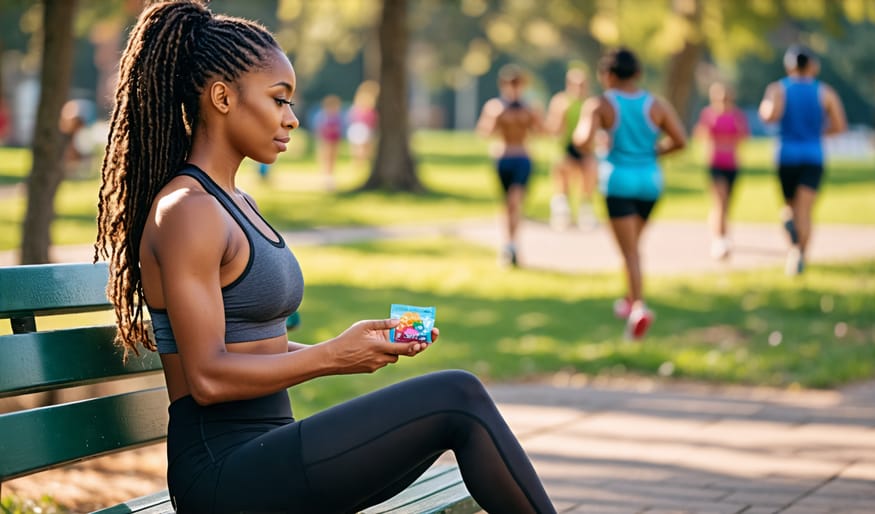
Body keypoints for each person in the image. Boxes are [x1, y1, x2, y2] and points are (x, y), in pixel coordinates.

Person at [93, 2, 556, 513]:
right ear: (222, 97)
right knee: (459, 399)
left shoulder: (234, 202)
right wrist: (332, 357)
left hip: (269, 450)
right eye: (279, 100)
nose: (291, 118)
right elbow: (207, 378)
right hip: (223, 474)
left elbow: (250, 347)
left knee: (458, 406)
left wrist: (349, 345)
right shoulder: (188, 211)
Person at [573, 47, 686, 340]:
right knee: (634, 247)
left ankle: (638, 309)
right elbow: (680, 140)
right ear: (638, 73)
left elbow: (582, 140)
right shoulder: (656, 105)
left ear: (607, 75)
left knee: (630, 252)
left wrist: (600, 142)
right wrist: (652, 153)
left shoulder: (600, 105)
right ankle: (628, 298)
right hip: (650, 182)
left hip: (618, 181)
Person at [758, 44, 847, 275]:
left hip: (786, 155)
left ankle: (791, 244)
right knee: (805, 210)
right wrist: (817, 132)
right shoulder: (825, 92)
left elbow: (768, 116)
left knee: (789, 207)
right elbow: (839, 125)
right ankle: (799, 256)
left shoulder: (778, 89)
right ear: (812, 66)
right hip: (813, 155)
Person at [475, 64, 543, 267]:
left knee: (515, 201)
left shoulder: (529, 107)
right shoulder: (495, 107)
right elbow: (483, 132)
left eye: (517, 84)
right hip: (503, 157)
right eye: (510, 84)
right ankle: (509, 244)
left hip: (522, 158)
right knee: (507, 205)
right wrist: (497, 120)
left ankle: (512, 245)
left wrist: (532, 117)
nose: (513, 88)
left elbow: (542, 131)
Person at [693, 82, 750, 260]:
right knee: (720, 201)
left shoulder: (737, 115)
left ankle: (722, 234)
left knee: (726, 205)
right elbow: (700, 134)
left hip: (732, 164)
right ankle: (720, 239)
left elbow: (743, 136)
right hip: (715, 163)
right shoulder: (708, 114)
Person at [545, 67, 598, 231]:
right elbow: (553, 128)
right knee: (563, 181)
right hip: (566, 147)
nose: (579, 88)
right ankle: (562, 214)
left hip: (586, 148)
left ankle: (585, 212)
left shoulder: (590, 102)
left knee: (589, 177)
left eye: (582, 84)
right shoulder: (561, 102)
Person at [313, 94, 343, 191]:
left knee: (332, 159)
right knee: (325, 159)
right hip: (325, 141)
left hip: (334, 141)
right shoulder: (323, 116)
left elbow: (340, 129)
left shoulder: (337, 116)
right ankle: (326, 177)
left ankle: (330, 177)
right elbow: (319, 129)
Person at [347, 80, 379, 166]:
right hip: (362, 128)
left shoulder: (358, 105)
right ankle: (359, 163)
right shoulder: (366, 104)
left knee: (361, 147)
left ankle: (359, 162)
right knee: (362, 147)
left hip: (360, 127)